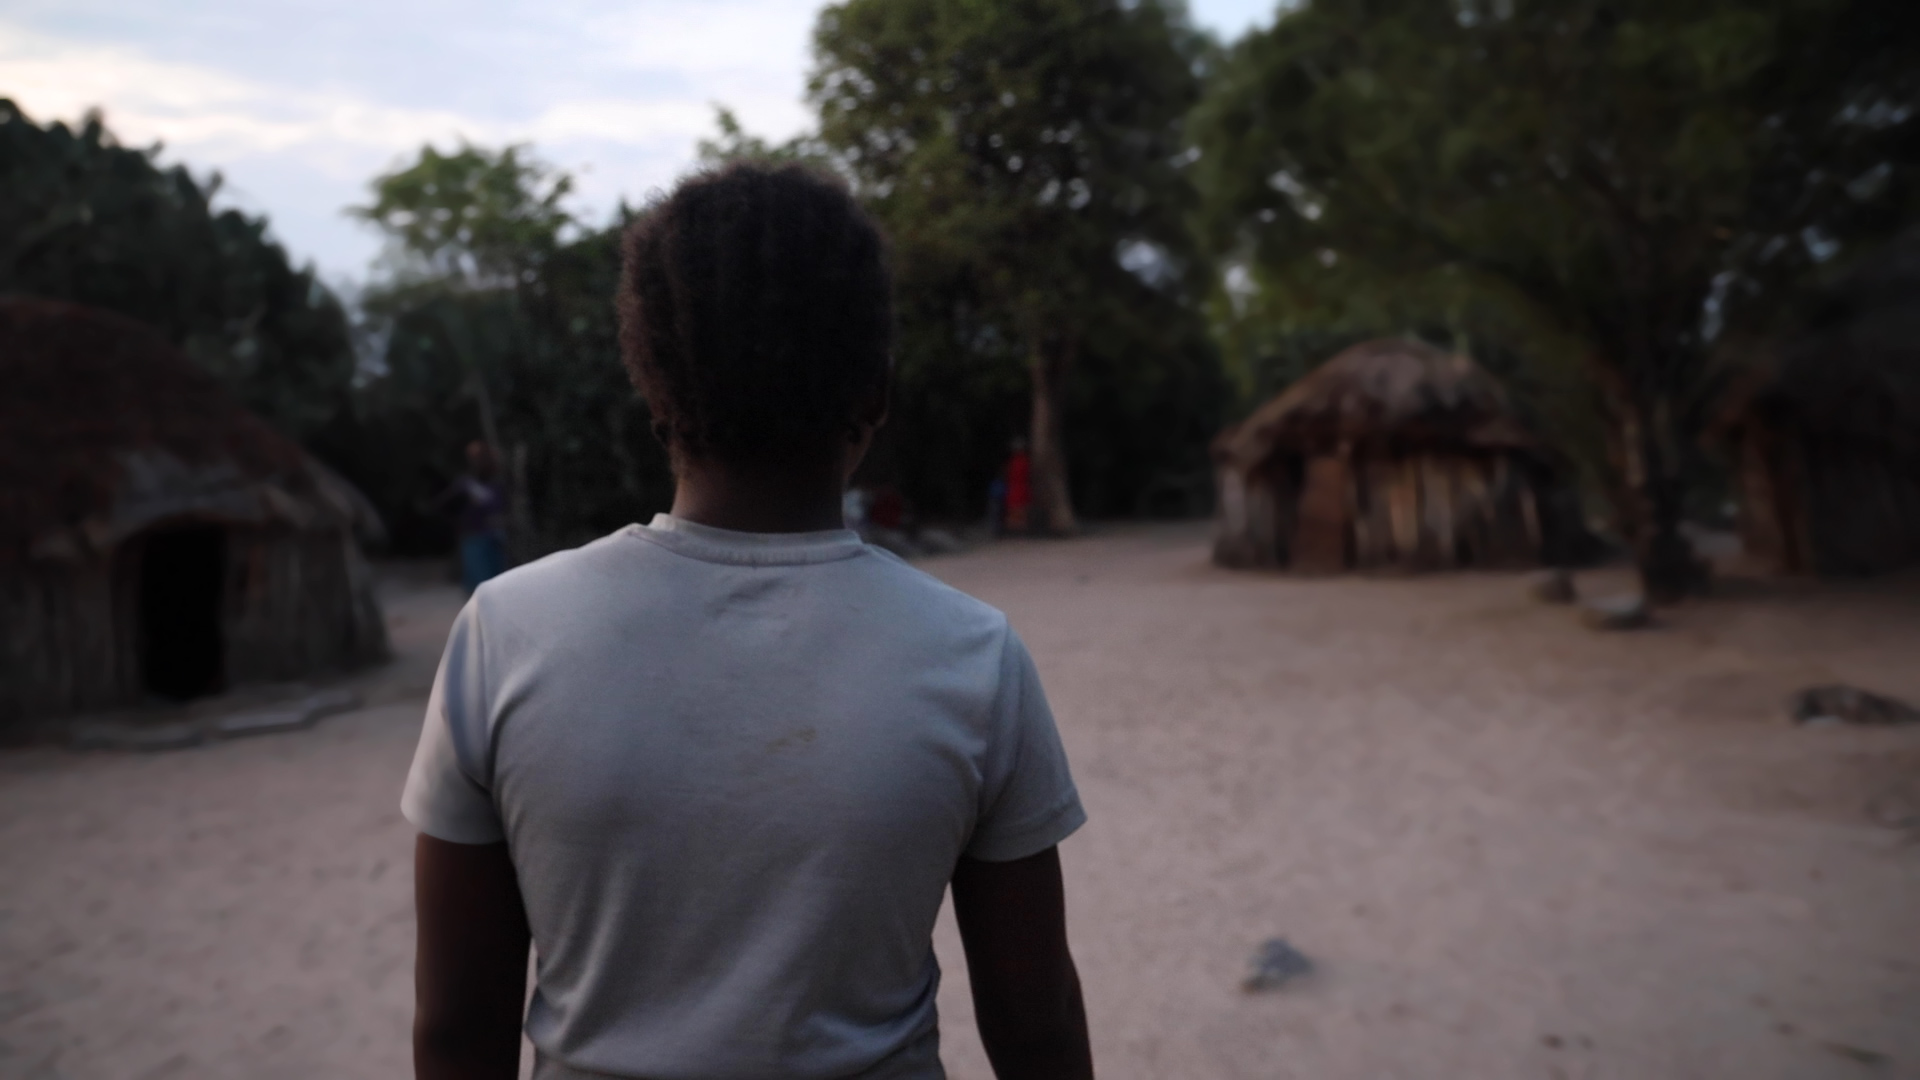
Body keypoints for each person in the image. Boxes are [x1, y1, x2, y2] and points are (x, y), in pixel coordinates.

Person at [402, 162, 1093, 1080]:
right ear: (876, 395)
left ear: (652, 388)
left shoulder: (506, 632)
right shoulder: (971, 654)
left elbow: (455, 1029)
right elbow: (1034, 1025)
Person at [435, 440, 508, 593]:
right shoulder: (464, 485)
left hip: (496, 539)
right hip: (474, 540)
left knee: (499, 585)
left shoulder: (497, 485)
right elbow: (443, 507)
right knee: (480, 588)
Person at [1003, 438, 1032, 534]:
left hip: (1017, 489)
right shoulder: (1021, 461)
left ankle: (1016, 531)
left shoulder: (1019, 462)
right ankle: (1017, 531)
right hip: (1017, 489)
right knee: (1017, 512)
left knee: (1018, 511)